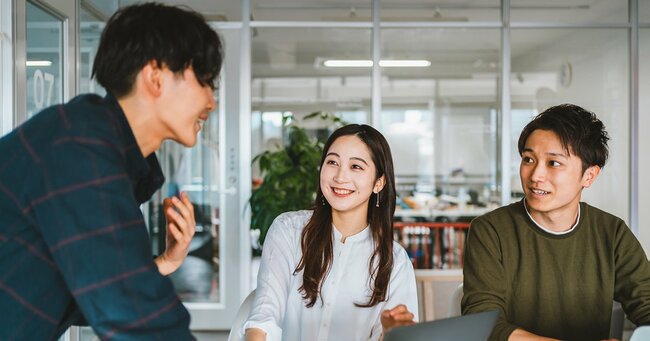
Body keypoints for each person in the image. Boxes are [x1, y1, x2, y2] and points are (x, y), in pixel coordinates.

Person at [0, 3, 222, 339]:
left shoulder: (91, 142)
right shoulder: (77, 147)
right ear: (155, 75)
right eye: (205, 80)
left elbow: (79, 293)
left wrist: (166, 262)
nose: (211, 100)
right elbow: (141, 324)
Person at [462, 104, 650, 340]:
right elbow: (482, 322)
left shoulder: (612, 233)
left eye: (553, 163)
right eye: (528, 159)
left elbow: (646, 303)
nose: (535, 176)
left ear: (589, 175)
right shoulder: (490, 230)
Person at [243, 124, 418, 341]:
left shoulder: (395, 262)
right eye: (332, 162)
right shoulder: (288, 231)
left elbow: (399, 336)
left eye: (356, 166)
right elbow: (264, 317)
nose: (340, 176)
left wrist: (391, 333)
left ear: (379, 182)